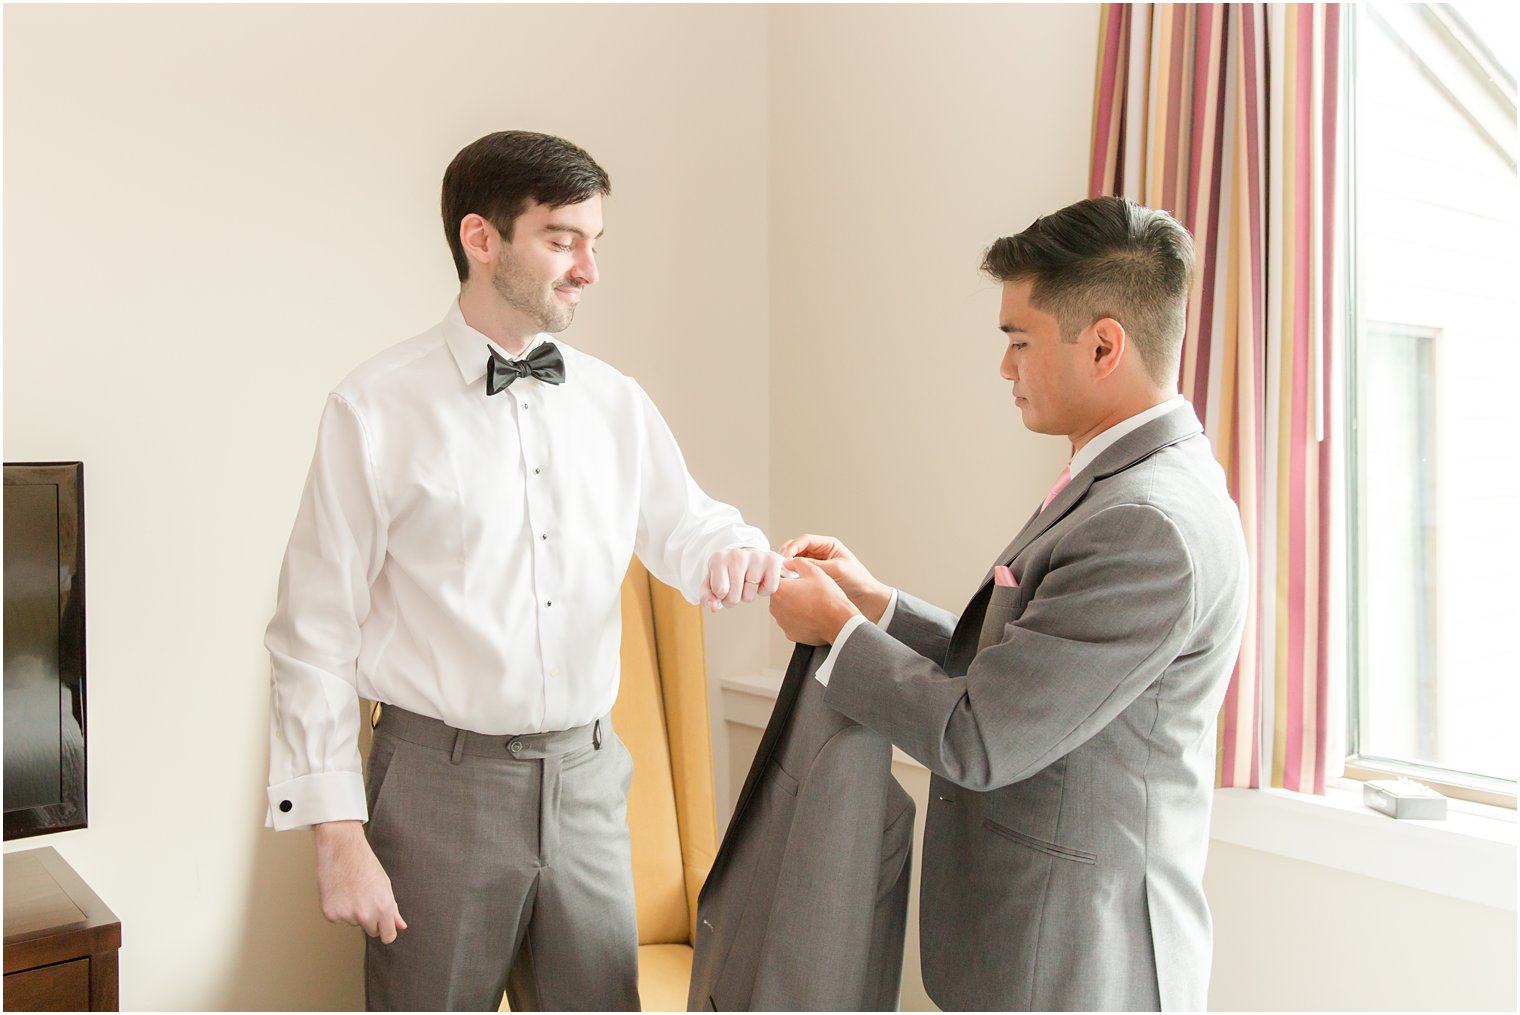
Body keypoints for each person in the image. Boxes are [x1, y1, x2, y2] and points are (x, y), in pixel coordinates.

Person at [264, 130, 782, 1012]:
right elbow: (313, 632)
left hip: (588, 784)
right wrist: (336, 835)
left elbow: (690, 526)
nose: (588, 268)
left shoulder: (616, 403)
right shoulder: (373, 408)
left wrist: (737, 552)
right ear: (481, 238)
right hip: (436, 788)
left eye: (595, 243)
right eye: (562, 239)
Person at [769, 195, 1249, 1012]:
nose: (1005, 367)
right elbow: (1025, 667)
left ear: (1103, 343)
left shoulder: (1147, 523)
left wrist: (840, 636)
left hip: (1072, 965)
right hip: (1035, 946)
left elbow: (980, 735)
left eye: (1018, 340)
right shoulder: (1130, 483)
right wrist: (879, 606)